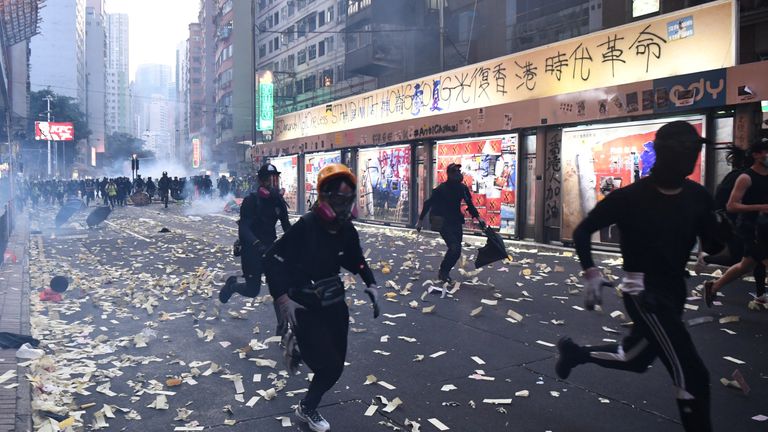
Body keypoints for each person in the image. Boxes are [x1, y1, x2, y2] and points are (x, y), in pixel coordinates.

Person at [556, 121, 724, 432]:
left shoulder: (698, 197)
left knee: (634, 358)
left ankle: (575, 353)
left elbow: (716, 245)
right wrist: (591, 272)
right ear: (665, 153)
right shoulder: (629, 198)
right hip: (644, 293)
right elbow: (582, 232)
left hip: (673, 290)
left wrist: (725, 229)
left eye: (696, 152)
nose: (692, 159)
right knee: (692, 373)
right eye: (686, 151)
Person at [264, 163, 380, 432]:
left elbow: (356, 260)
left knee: (336, 366)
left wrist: (372, 284)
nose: (343, 207)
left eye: (348, 200)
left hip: (333, 302)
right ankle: (307, 407)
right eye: (338, 199)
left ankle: (303, 358)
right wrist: (282, 298)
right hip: (303, 304)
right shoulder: (305, 226)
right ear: (324, 197)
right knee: (326, 365)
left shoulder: (346, 230)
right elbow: (272, 259)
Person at [219, 164, 292, 337]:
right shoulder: (251, 201)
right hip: (252, 250)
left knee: (279, 288)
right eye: (268, 179)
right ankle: (233, 286)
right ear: (260, 180)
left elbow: (287, 226)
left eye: (275, 178)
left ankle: (282, 326)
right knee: (253, 291)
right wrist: (256, 243)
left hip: (271, 248)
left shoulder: (278, 202)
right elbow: (243, 228)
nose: (272, 183)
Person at [703, 138, 768, 306]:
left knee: (745, 265)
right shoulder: (745, 178)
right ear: (756, 155)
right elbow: (731, 206)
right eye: (766, 151)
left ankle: (713, 286)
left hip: (765, 227)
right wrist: (760, 207)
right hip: (750, 229)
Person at [415, 163, 484, 283]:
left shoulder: (462, 188)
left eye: (459, 171)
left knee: (456, 251)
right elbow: (428, 203)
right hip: (443, 222)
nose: (458, 174)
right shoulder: (441, 189)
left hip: (456, 221)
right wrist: (420, 221)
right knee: (454, 248)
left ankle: (444, 271)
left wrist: (479, 218)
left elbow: (470, 204)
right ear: (449, 174)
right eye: (455, 171)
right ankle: (443, 271)